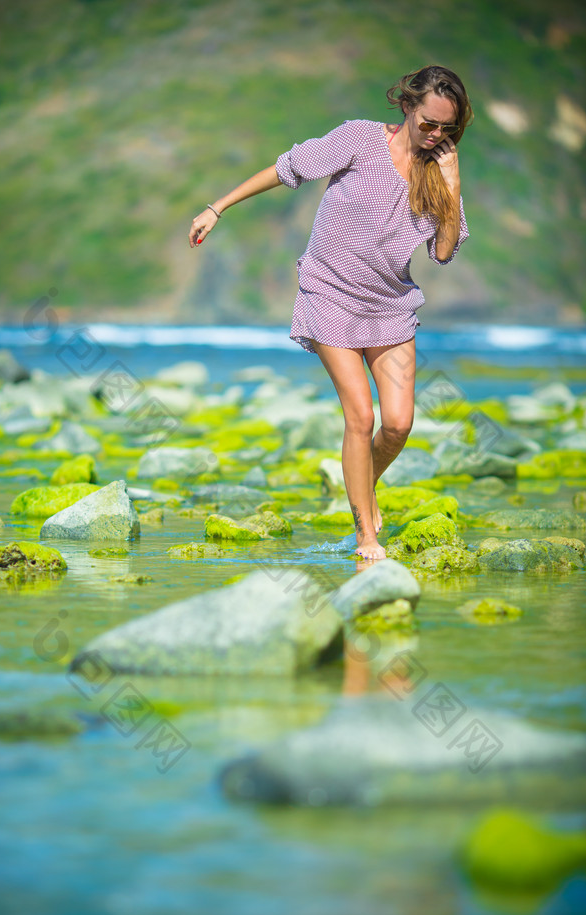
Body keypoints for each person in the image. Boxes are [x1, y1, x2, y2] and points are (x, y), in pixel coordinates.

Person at [188, 65, 473, 560]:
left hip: (390, 304)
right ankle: (367, 535)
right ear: (407, 106)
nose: (436, 136)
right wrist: (219, 206)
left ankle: (360, 484)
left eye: (447, 129)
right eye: (429, 123)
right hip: (331, 292)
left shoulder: (438, 174)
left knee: (399, 425)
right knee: (360, 416)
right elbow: (286, 169)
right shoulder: (358, 140)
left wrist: (452, 182)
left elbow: (444, 253)